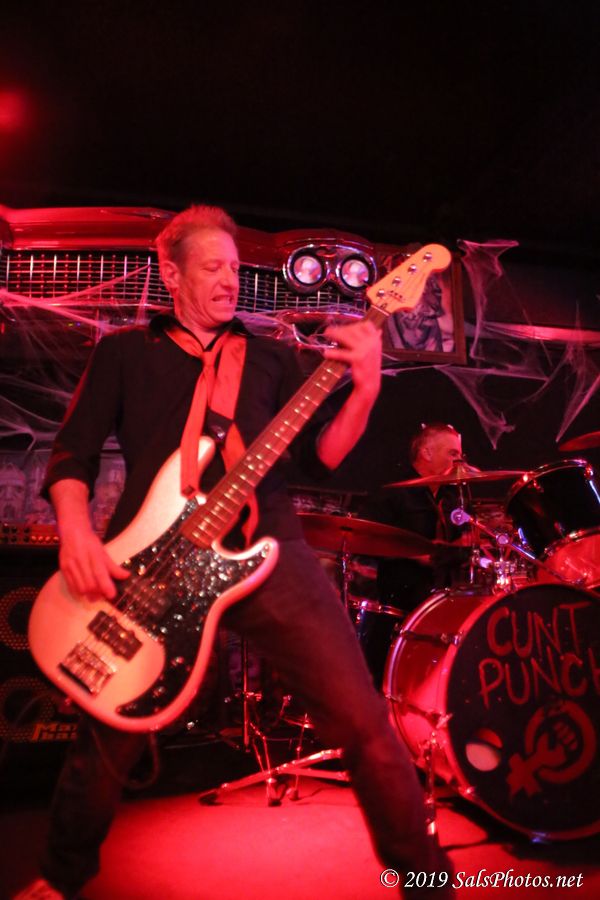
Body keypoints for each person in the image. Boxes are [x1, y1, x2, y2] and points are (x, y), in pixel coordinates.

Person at [16, 206, 453, 899]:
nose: (230, 280)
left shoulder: (274, 357)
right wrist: (76, 532)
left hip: (268, 550)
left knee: (364, 721)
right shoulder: (124, 352)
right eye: (212, 268)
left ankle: (428, 883)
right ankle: (62, 875)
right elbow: (72, 453)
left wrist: (366, 388)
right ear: (171, 274)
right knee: (108, 724)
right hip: (151, 558)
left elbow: (325, 456)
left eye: (235, 267)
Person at [372, 423, 471, 615]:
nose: (459, 461)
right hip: (402, 598)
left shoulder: (453, 495)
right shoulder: (394, 491)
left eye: (460, 455)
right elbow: (369, 539)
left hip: (447, 594)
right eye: (452, 453)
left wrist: (465, 542)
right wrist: (415, 554)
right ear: (427, 453)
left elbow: (465, 539)